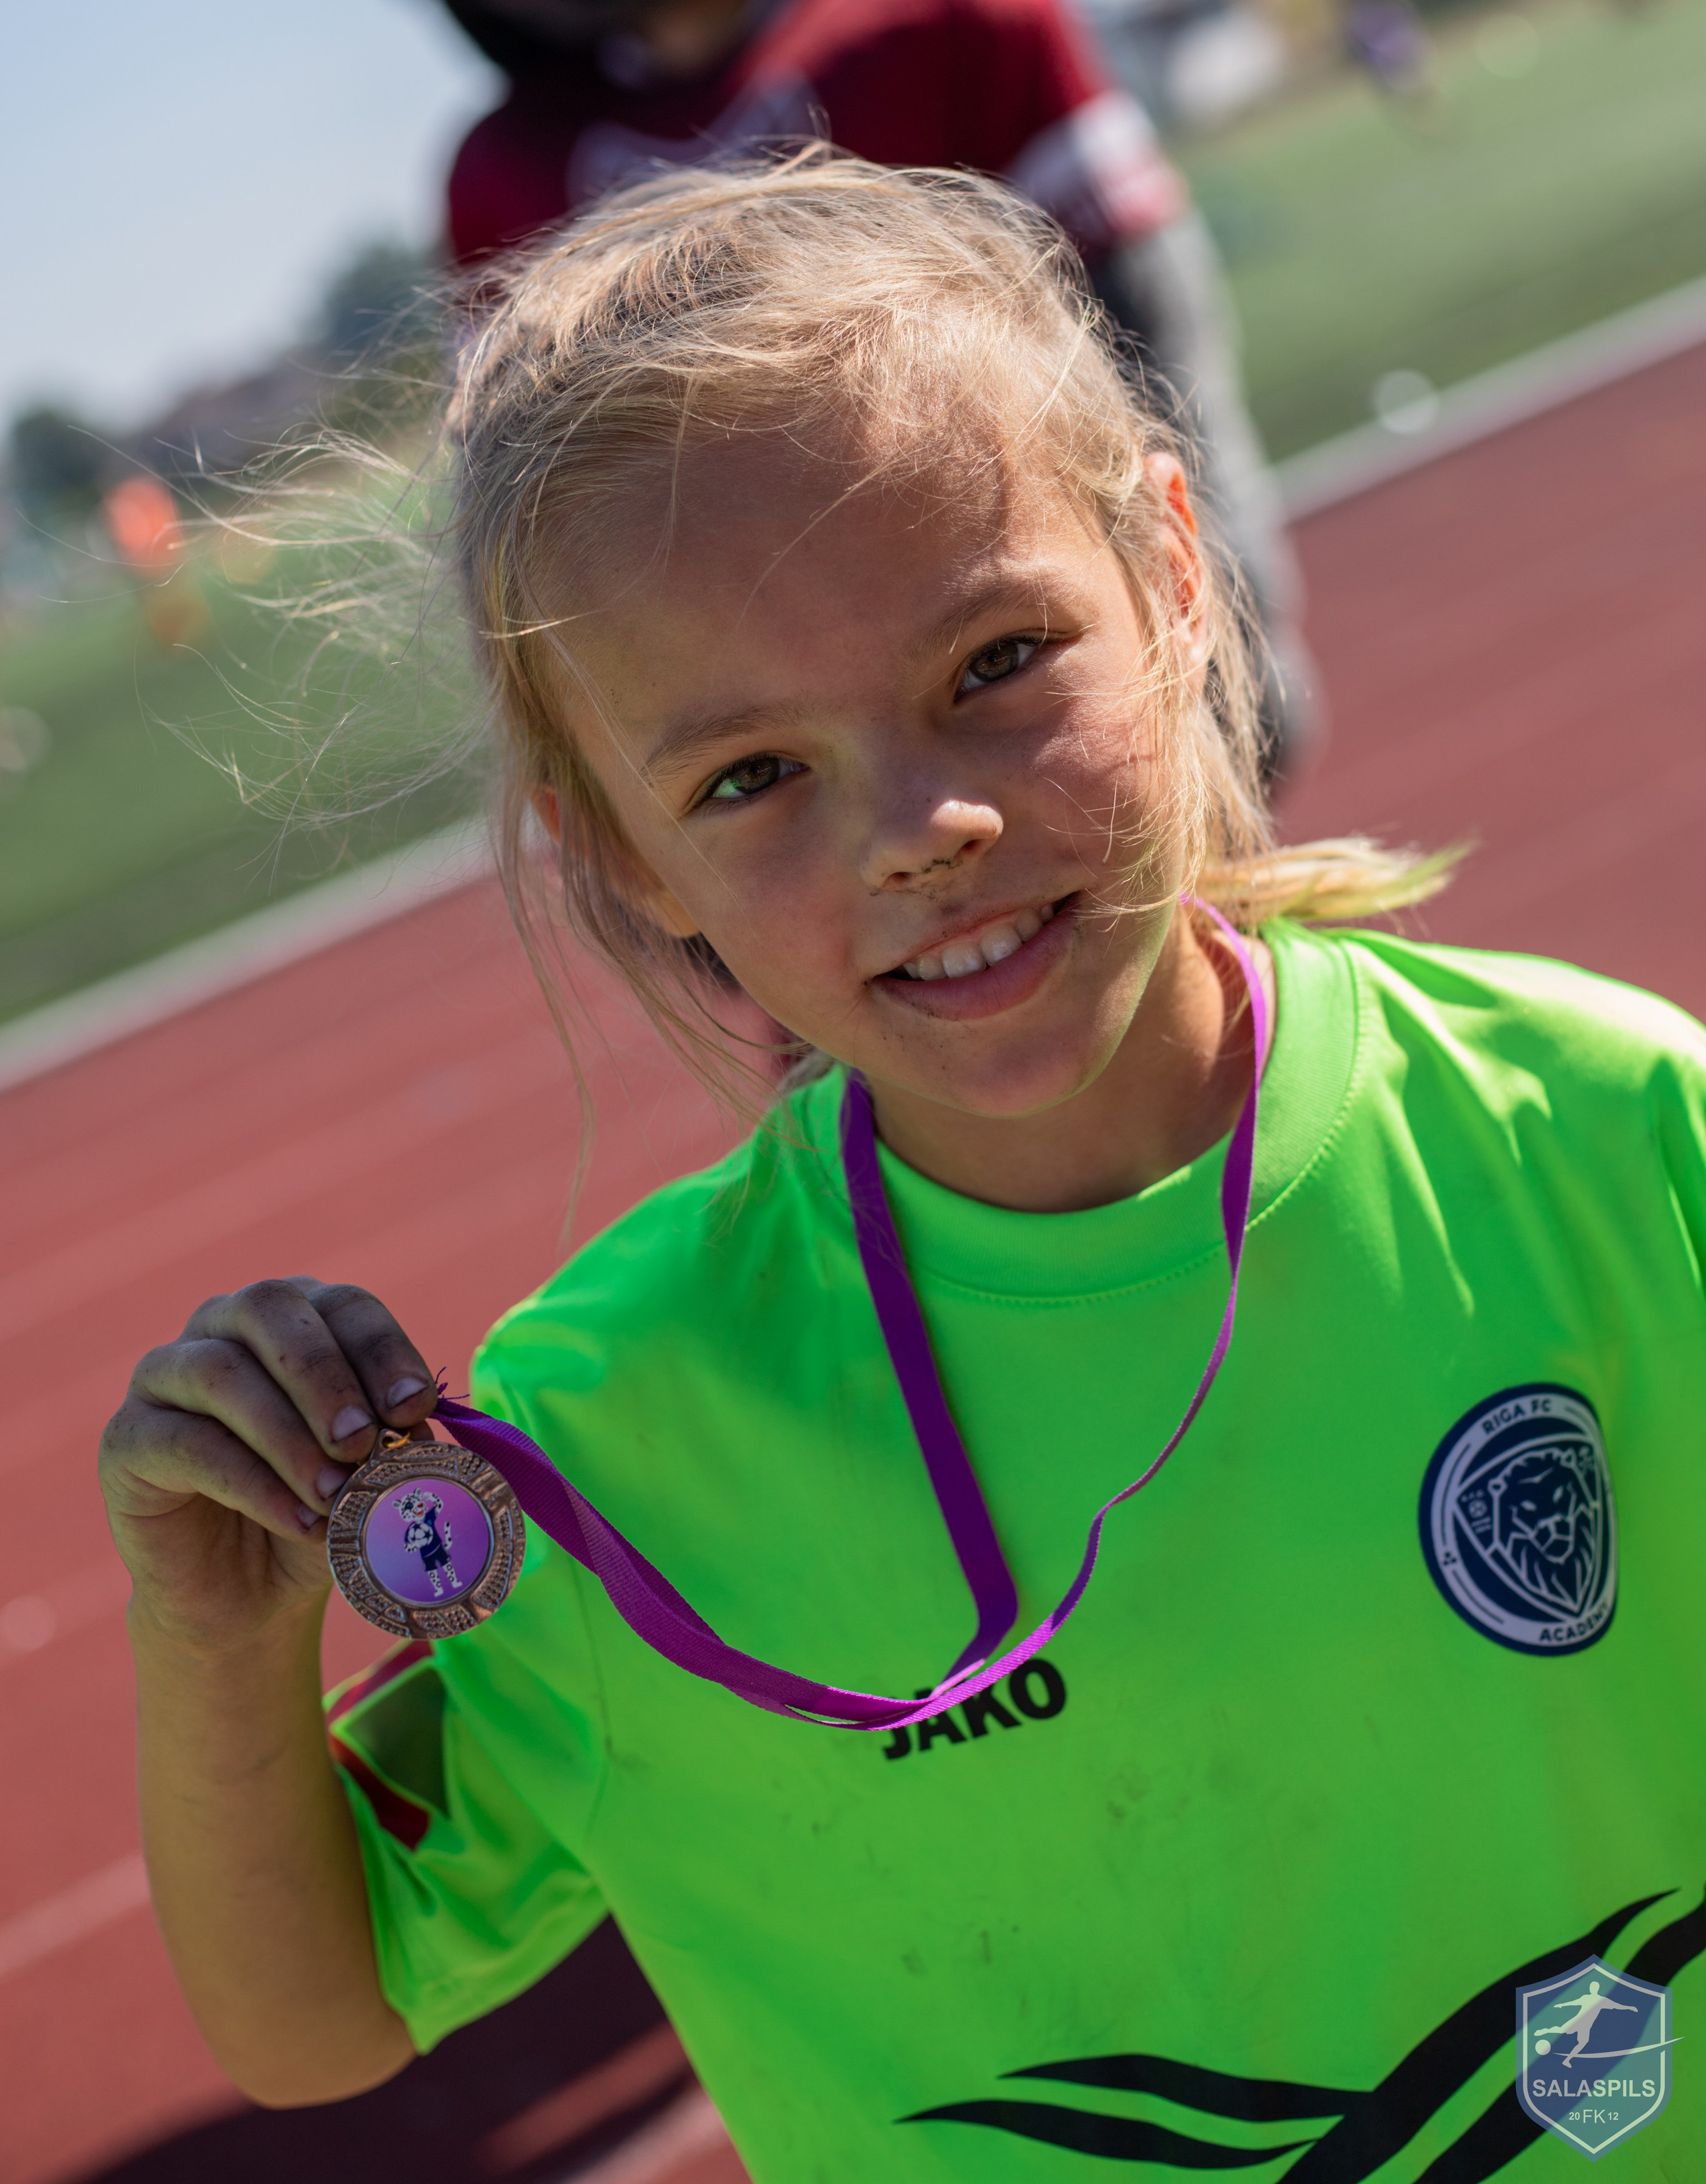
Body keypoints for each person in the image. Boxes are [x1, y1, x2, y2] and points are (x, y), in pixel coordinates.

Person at [102, 155, 1706, 2177]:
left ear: (1174, 572)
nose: (916, 827)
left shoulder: (1608, 1137)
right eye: (749, 778)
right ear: (619, 855)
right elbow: (324, 2017)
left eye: (993, 665)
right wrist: (215, 1635)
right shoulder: (619, 1437)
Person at [335, 0, 1314, 776]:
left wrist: (1231, 619)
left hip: (1017, 668)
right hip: (777, 755)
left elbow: (1149, 342)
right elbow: (537, 550)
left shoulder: (947, 10)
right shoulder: (505, 173)